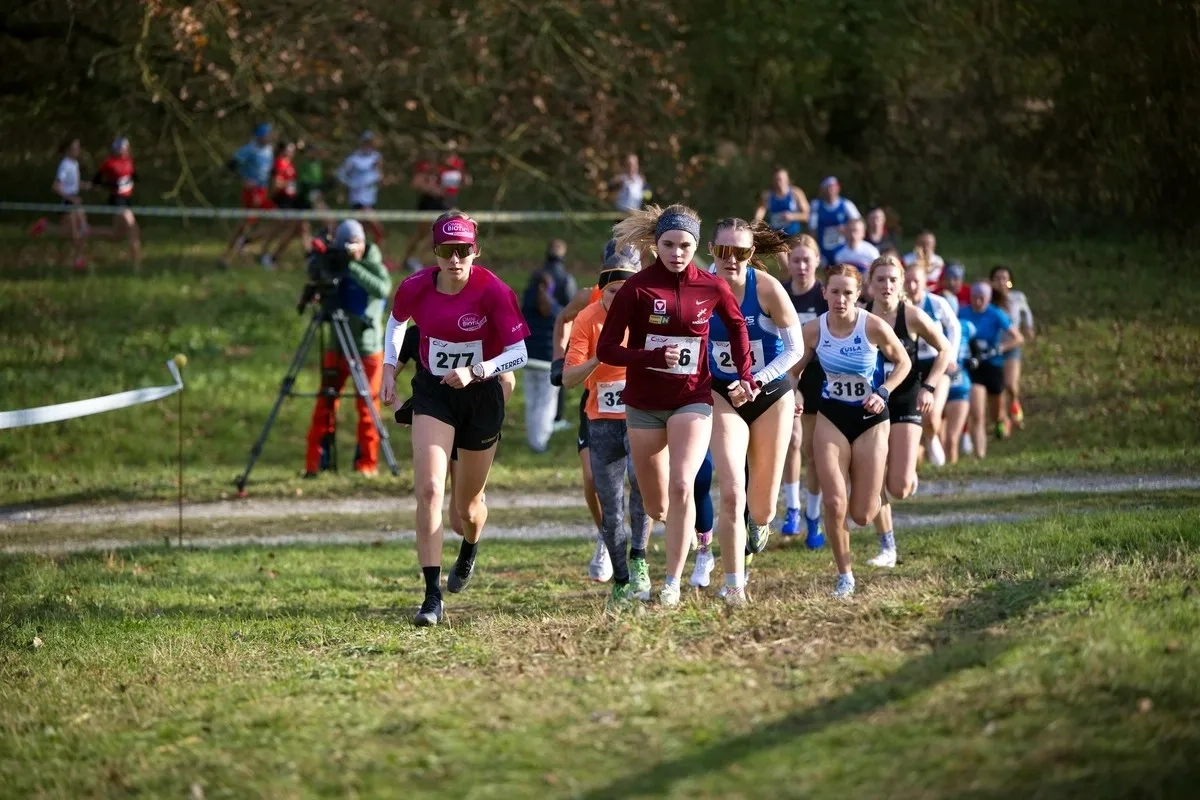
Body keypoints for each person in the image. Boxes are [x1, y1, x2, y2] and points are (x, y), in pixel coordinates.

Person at [596, 204, 757, 607]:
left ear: (696, 246)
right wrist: (649, 356)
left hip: (692, 399)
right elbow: (607, 349)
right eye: (668, 245)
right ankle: (672, 539)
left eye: (685, 245)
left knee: (684, 484)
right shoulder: (637, 289)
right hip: (644, 405)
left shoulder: (712, 286)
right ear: (656, 245)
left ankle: (671, 582)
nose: (677, 253)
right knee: (657, 504)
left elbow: (737, 325)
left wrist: (745, 374)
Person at [381, 211, 531, 627]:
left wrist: (477, 370)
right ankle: (432, 597)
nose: (455, 259)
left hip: (482, 395)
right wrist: (390, 368)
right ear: (435, 252)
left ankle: (470, 545)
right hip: (435, 392)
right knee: (430, 490)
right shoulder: (414, 287)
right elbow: (396, 323)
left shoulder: (494, 291)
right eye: (447, 250)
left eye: (463, 250)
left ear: (475, 251)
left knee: (466, 508)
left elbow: (519, 354)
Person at [791, 264, 912, 597]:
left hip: (871, 418)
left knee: (862, 513)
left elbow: (904, 362)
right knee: (834, 501)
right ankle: (845, 576)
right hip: (832, 415)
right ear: (824, 293)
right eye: (835, 292)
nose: (840, 299)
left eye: (847, 293)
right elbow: (791, 371)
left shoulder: (872, 325)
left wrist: (883, 391)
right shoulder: (813, 330)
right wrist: (795, 392)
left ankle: (880, 527)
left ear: (858, 295)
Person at [702, 219, 804, 603]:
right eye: (724, 251)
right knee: (731, 491)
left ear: (751, 253)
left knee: (761, 506)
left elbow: (795, 349)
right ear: (712, 251)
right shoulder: (698, 287)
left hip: (769, 393)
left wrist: (755, 381)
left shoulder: (767, 288)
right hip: (721, 394)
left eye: (741, 252)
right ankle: (734, 587)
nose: (732, 259)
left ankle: (759, 522)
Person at [563, 258, 652, 607]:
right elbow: (569, 379)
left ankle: (639, 559)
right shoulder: (587, 319)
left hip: (639, 413)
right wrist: (600, 357)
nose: (619, 298)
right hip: (600, 419)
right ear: (601, 291)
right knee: (610, 505)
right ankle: (621, 580)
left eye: (625, 291)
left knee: (640, 481)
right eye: (612, 291)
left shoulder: (646, 314)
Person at [550, 240, 639, 582]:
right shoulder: (587, 298)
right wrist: (559, 358)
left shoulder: (649, 301)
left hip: (639, 401)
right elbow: (563, 319)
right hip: (598, 399)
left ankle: (682, 521)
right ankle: (606, 536)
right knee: (592, 478)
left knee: (643, 478)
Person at [862, 255, 953, 569]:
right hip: (870, 401)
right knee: (874, 477)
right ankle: (887, 547)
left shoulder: (911, 315)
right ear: (870, 283)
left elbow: (945, 350)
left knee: (898, 487)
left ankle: (909, 467)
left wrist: (929, 386)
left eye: (892, 280)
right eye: (880, 279)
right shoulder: (860, 315)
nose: (886, 286)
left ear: (901, 283)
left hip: (906, 399)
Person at [393, 324, 517, 537]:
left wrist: (488, 414)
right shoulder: (416, 333)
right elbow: (388, 374)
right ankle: (432, 556)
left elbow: (508, 380)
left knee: (461, 521)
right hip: (435, 419)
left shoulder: (479, 329)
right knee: (431, 492)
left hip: (470, 421)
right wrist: (398, 408)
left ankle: (475, 508)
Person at [303, 220, 393, 477]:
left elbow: (382, 288)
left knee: (367, 406)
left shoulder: (373, 264)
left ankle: (367, 464)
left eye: (355, 244)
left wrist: (351, 266)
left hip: (367, 349)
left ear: (363, 244)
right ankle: (316, 463)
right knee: (325, 404)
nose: (352, 249)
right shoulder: (335, 263)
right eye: (346, 246)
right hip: (337, 346)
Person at [781, 235, 827, 548]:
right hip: (787, 375)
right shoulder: (780, 293)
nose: (800, 266)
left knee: (813, 451)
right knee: (792, 441)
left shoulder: (825, 295)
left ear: (816, 261)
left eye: (806, 260)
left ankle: (813, 516)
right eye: (795, 260)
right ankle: (793, 508)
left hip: (820, 377)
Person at [522, 240, 578, 453]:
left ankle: (532, 437)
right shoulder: (557, 312)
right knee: (546, 403)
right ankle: (540, 441)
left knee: (532, 401)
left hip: (529, 358)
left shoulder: (525, 309)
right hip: (548, 360)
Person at [905, 260, 962, 467]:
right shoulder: (901, 307)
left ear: (924, 282)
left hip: (937, 364)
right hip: (911, 366)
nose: (912, 286)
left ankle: (931, 439)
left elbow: (954, 327)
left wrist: (951, 356)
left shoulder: (937, 303)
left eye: (916, 281)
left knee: (932, 414)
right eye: (908, 282)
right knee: (914, 416)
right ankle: (924, 444)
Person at [958, 281, 1025, 455]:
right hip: (974, 366)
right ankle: (980, 455)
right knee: (977, 415)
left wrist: (1000, 348)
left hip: (993, 365)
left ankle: (1003, 420)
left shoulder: (996, 313)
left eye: (982, 298)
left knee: (997, 414)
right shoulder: (963, 313)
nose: (978, 301)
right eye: (974, 297)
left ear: (988, 299)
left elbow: (1018, 338)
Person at [402, 146, 470, 271]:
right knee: (422, 234)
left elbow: (466, 182)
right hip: (430, 204)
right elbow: (417, 183)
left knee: (439, 233)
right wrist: (434, 190)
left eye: (452, 152)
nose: (449, 155)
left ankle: (418, 259)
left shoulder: (458, 167)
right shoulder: (433, 167)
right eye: (446, 152)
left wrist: (462, 176)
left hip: (447, 205)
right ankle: (407, 259)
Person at [219, 123, 275, 269]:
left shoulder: (269, 150)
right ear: (259, 136)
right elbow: (231, 165)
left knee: (273, 219)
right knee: (247, 223)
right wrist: (243, 179)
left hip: (263, 190)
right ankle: (228, 256)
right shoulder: (249, 149)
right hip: (251, 191)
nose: (270, 137)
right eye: (267, 134)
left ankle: (242, 244)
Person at [30, 137, 91, 271]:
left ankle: (79, 259)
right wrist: (71, 198)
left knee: (83, 230)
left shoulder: (75, 164)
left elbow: (74, 184)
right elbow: (56, 187)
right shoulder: (64, 165)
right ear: (68, 150)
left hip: (76, 200)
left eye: (79, 147)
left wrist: (87, 185)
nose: (78, 150)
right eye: (75, 148)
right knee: (73, 233)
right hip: (68, 201)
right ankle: (79, 261)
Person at [990, 265, 1035, 429]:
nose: (1001, 282)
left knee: (1010, 383)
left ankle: (1015, 401)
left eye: (1004, 278)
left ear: (1010, 281)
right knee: (999, 386)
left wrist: (1029, 327)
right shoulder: (989, 299)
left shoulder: (1017, 297)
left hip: (1012, 345)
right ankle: (1002, 419)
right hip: (994, 346)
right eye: (997, 278)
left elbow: (1026, 313)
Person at [90, 136, 142, 270]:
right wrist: (107, 185)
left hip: (127, 200)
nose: (126, 150)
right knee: (133, 228)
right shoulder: (109, 163)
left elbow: (133, 176)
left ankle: (88, 231)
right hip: (117, 200)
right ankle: (137, 266)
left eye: (127, 148)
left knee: (116, 234)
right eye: (124, 148)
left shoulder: (129, 161)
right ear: (117, 149)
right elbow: (96, 181)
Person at [336, 131, 385, 244]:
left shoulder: (376, 157)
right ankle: (378, 253)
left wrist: (379, 179)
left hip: (371, 199)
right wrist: (351, 184)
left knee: (362, 233)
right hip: (358, 200)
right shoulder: (353, 159)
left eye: (370, 142)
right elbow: (341, 174)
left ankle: (366, 253)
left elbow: (379, 175)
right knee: (377, 230)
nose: (368, 145)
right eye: (366, 142)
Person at [941, 317, 977, 464]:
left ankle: (952, 468)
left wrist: (974, 360)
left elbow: (976, 349)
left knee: (952, 437)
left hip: (959, 388)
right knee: (938, 435)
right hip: (937, 386)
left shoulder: (965, 326)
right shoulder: (930, 325)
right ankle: (940, 468)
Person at [808, 176, 861, 267]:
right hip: (823, 248)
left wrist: (846, 228)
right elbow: (812, 229)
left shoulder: (846, 205)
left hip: (842, 248)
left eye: (832, 187)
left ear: (838, 188)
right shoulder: (816, 205)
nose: (830, 191)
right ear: (823, 190)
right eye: (827, 188)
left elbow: (858, 224)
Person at [754, 167, 810, 237]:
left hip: (793, 236)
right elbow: (760, 212)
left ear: (787, 180)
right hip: (775, 236)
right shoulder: (767, 196)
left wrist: (793, 216)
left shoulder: (795, 193)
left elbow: (807, 215)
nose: (778, 182)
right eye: (776, 180)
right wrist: (755, 223)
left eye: (781, 179)